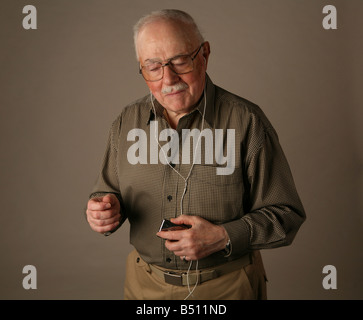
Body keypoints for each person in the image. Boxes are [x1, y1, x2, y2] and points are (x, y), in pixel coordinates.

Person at [85, 9, 306, 300]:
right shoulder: (126, 122)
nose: (168, 78)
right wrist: (104, 210)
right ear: (141, 68)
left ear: (204, 54)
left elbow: (286, 216)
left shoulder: (247, 121)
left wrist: (224, 237)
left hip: (227, 287)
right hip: (144, 287)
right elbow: (108, 191)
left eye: (179, 61)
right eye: (153, 66)